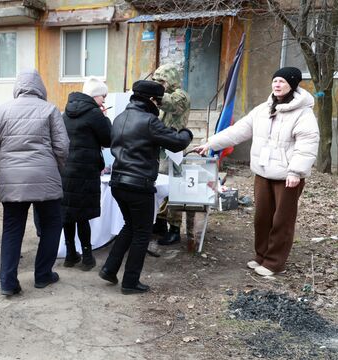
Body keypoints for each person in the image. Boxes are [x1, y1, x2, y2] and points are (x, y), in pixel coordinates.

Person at [194, 67, 319, 277]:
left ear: (293, 84)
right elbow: (238, 130)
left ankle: (274, 262)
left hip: (287, 177)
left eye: (282, 81)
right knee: (262, 217)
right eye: (275, 80)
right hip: (263, 172)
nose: (277, 85)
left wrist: (296, 172)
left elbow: (307, 145)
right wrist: (211, 143)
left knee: (282, 220)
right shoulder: (263, 109)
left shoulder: (303, 113)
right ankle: (261, 255)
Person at [98, 80, 193, 295]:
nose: (159, 106)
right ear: (151, 100)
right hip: (139, 185)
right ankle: (130, 282)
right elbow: (177, 142)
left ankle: (109, 268)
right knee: (142, 233)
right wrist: (186, 132)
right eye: (158, 101)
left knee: (129, 227)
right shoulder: (149, 121)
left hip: (118, 183)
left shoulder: (120, 117)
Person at [0, 69, 69, 296]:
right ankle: (43, 275)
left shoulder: (2, 111)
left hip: (13, 180)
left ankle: (7, 282)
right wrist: (55, 168)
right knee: (52, 224)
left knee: (12, 229)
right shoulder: (50, 109)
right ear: (40, 88)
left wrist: (1, 171)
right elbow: (62, 147)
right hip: (45, 177)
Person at [61, 77, 112, 270]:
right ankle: (88, 257)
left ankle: (70, 255)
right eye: (103, 97)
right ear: (95, 95)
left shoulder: (65, 112)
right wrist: (105, 118)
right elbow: (108, 139)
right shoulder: (94, 114)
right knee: (82, 215)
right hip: (85, 170)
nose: (104, 101)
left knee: (68, 213)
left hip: (66, 170)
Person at [150, 63, 194, 246]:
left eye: (161, 81)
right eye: (155, 81)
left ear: (171, 80)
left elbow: (170, 104)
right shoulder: (160, 96)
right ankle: (159, 223)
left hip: (174, 149)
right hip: (159, 149)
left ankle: (174, 228)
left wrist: (153, 95)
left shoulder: (180, 96)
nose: (159, 84)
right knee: (159, 189)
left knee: (174, 190)